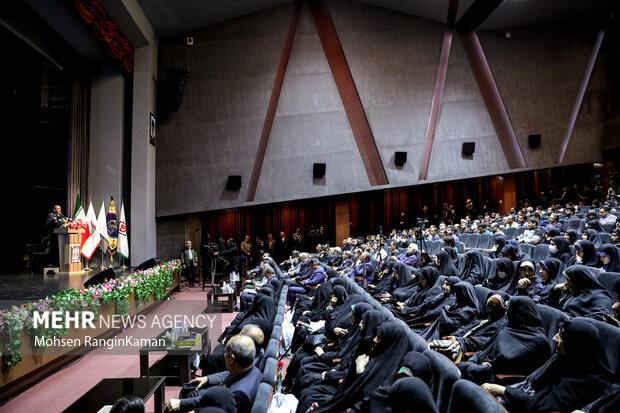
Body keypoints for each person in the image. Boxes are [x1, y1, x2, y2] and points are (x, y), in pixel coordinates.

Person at [482, 319, 612, 413]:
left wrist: (503, 390)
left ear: (576, 346)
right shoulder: (564, 360)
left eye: (561, 336)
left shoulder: (589, 382)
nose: (555, 338)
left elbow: (541, 405)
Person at [457, 296, 550, 385]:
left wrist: (489, 364)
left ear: (517, 312)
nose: (506, 313)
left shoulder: (539, 341)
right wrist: (476, 360)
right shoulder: (508, 327)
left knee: (460, 371)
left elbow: (516, 365)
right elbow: (485, 349)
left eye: (509, 309)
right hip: (485, 367)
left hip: (501, 379)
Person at [167, 335, 262, 413]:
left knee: (178, 403)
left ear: (232, 359)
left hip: (217, 401)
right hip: (221, 390)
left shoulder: (239, 393)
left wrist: (182, 404)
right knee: (189, 388)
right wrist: (207, 378)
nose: (224, 355)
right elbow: (229, 373)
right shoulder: (254, 370)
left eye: (225, 352)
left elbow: (217, 403)